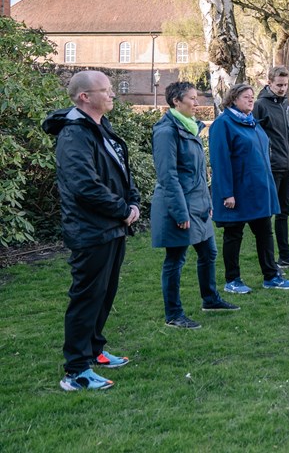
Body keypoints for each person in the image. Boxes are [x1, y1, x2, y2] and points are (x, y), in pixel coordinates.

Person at [43, 70, 140, 391]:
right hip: (91, 230)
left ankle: (95, 351)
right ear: (85, 96)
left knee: (104, 294)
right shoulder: (74, 134)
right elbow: (84, 185)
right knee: (86, 298)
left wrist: (134, 202)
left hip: (111, 228)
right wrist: (122, 210)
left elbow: (121, 171)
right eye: (106, 90)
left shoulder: (100, 127)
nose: (113, 94)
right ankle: (76, 370)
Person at [151, 82, 239, 330]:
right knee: (176, 260)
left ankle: (210, 300)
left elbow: (198, 173)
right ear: (176, 101)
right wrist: (180, 212)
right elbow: (168, 176)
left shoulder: (189, 128)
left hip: (198, 205)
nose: (196, 102)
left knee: (209, 252)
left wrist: (207, 202)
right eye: (192, 98)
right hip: (178, 206)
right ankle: (173, 314)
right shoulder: (166, 131)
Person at [209, 83, 289, 293]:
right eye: (246, 97)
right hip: (238, 193)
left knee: (265, 233)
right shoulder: (224, 124)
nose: (251, 100)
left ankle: (271, 276)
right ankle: (232, 280)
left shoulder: (252, 122)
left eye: (251, 96)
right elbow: (220, 161)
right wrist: (227, 193)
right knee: (234, 235)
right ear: (233, 99)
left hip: (258, 192)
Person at [253, 66, 289, 268]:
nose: (282, 88)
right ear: (269, 83)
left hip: (287, 166)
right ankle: (268, 262)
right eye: (278, 85)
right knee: (268, 214)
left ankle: (285, 256)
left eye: (285, 85)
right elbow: (255, 138)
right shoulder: (260, 105)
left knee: (283, 212)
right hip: (271, 168)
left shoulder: (286, 104)